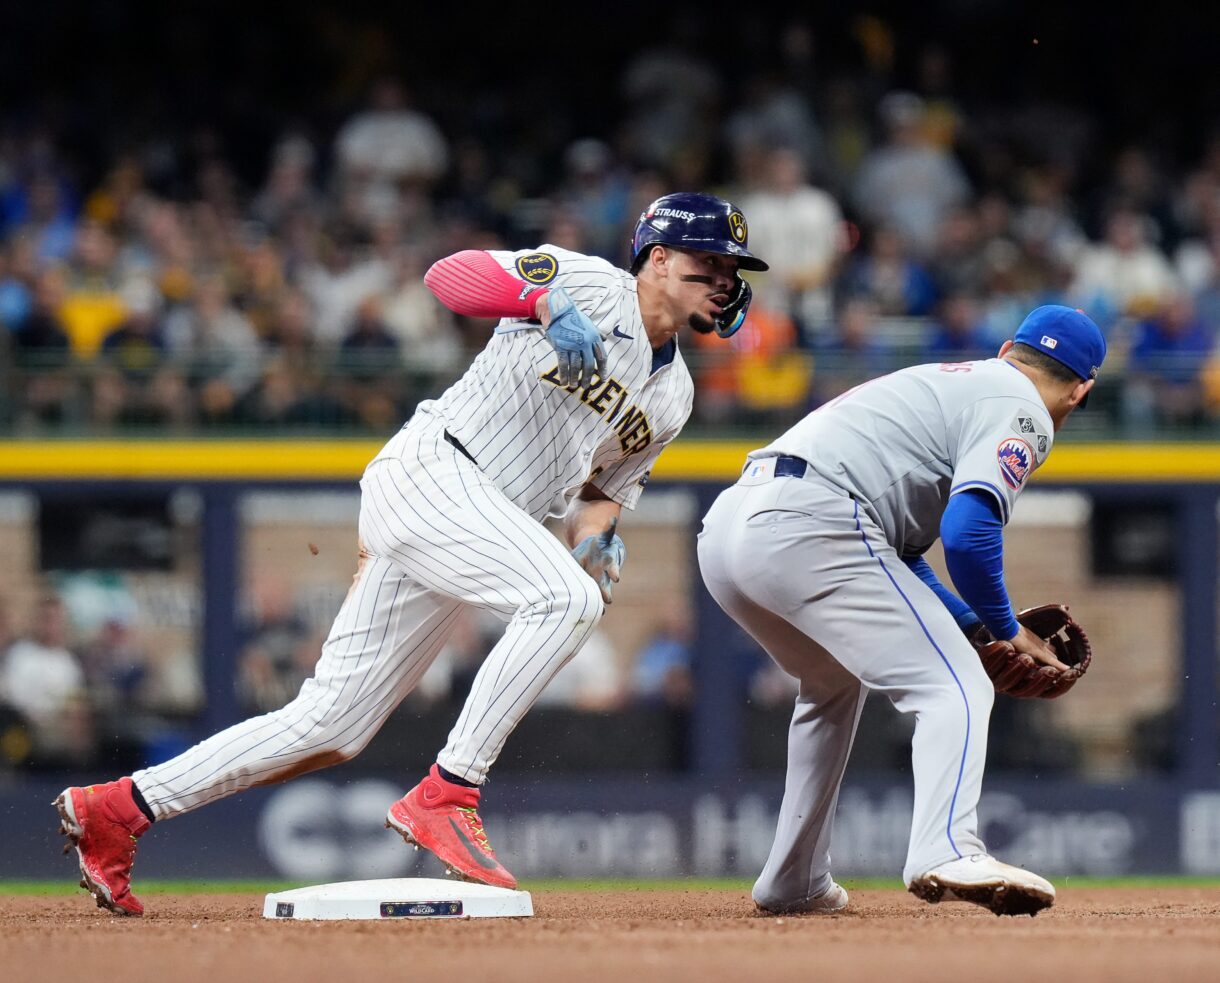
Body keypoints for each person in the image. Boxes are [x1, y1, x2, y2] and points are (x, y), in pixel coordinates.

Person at [55, 192, 768, 916]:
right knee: (564, 600)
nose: (723, 278)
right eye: (708, 260)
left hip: (479, 520)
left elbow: (599, 490)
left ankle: (117, 807)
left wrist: (594, 539)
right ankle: (449, 792)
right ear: (655, 257)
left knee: (331, 725)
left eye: (729, 267)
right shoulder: (585, 282)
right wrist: (541, 302)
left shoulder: (674, 394)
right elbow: (449, 275)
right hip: (436, 470)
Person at [697, 305, 1105, 917]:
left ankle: (794, 878)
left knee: (832, 684)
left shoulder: (953, 383)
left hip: (732, 527)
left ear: (1004, 349)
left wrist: (972, 627)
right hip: (813, 521)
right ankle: (946, 849)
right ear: (1082, 389)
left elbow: (897, 557)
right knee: (956, 688)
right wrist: (1004, 629)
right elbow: (968, 536)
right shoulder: (1024, 407)